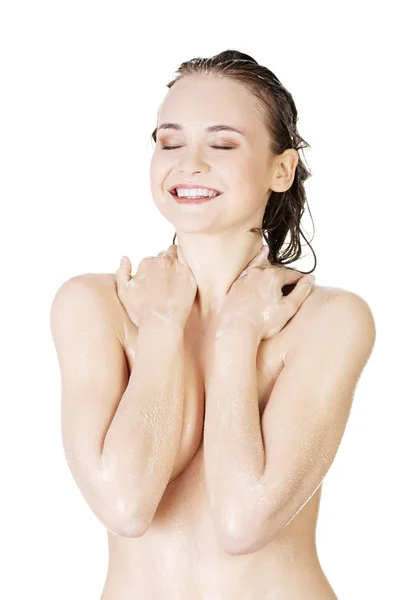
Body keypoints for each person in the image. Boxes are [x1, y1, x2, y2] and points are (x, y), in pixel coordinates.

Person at [50, 49, 376, 599]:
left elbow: (242, 520)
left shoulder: (330, 319)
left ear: (282, 169)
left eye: (222, 143)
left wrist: (236, 336)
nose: (189, 162)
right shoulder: (92, 305)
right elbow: (126, 504)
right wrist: (161, 327)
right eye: (169, 141)